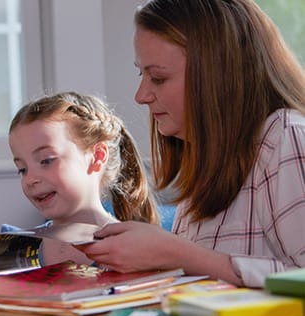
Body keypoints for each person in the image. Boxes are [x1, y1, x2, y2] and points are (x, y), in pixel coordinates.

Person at [76, 0, 305, 288]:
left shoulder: (285, 137)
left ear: (218, 77)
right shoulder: (205, 157)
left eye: (158, 77)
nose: (141, 95)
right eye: (141, 73)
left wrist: (176, 253)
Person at [8, 91, 159, 266]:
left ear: (97, 157)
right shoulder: (15, 247)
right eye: (22, 170)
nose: (30, 179)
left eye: (46, 161)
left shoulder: (128, 248)